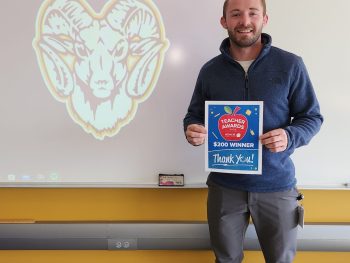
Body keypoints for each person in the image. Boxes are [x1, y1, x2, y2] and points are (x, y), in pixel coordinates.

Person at [183, 0, 323, 262]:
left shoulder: (290, 65)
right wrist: (192, 130)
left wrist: (289, 136)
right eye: (235, 14)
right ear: (224, 21)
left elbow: (311, 116)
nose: (244, 21)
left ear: (265, 19)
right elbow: (194, 115)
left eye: (252, 13)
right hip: (225, 187)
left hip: (277, 186)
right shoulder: (210, 71)